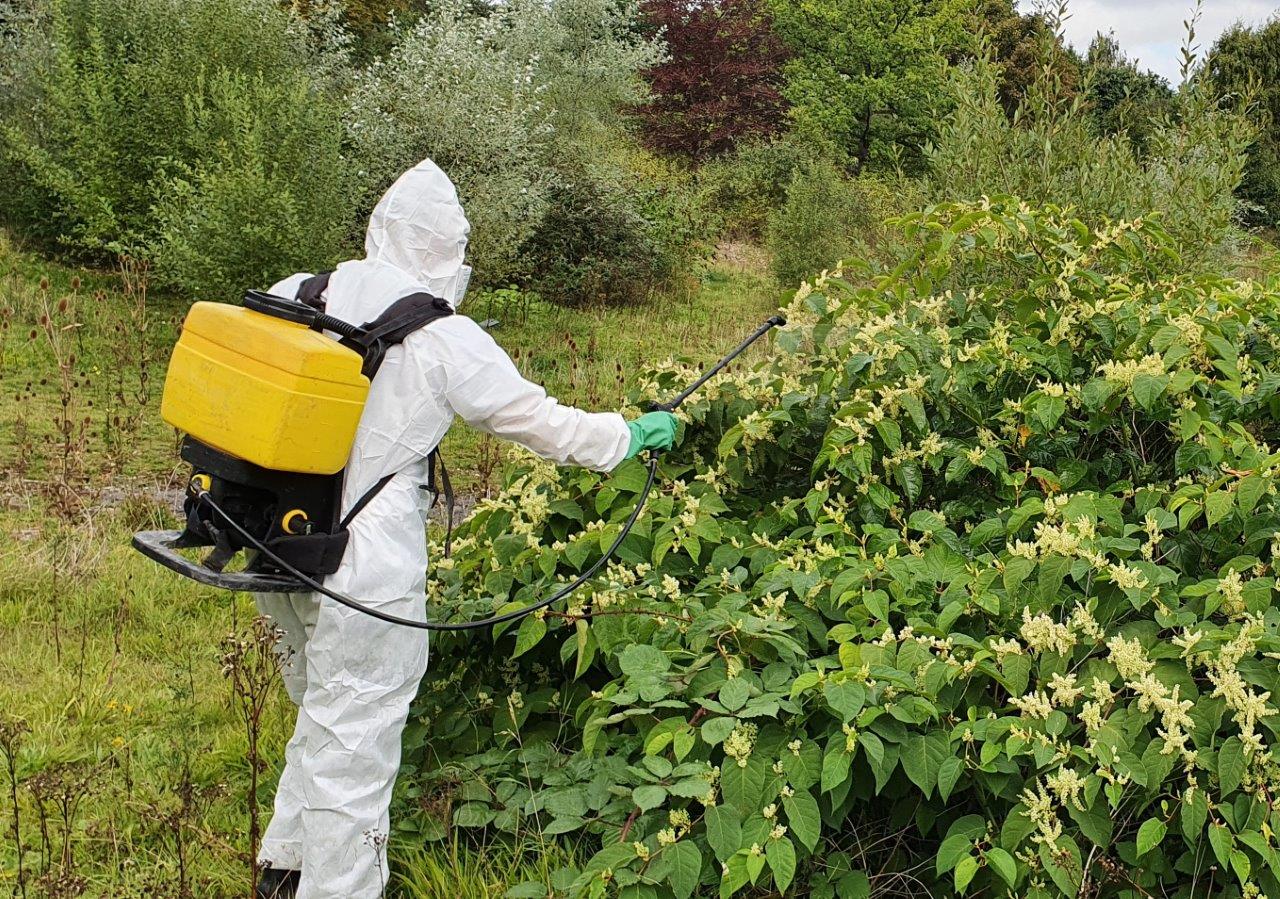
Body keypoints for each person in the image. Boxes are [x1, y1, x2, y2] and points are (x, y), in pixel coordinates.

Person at [252, 158, 678, 898]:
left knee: (325, 702)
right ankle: (338, 888)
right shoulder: (440, 333)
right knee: (359, 728)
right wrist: (628, 435)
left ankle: (287, 866)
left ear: (380, 227)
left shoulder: (299, 291)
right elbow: (539, 421)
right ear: (449, 251)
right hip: (363, 555)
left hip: (274, 541)